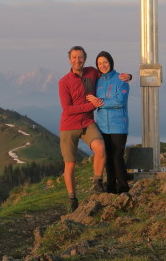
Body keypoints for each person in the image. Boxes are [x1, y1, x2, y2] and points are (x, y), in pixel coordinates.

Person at [58, 46, 131, 212]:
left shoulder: (92, 72)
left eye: (81, 57)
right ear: (70, 59)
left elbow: (108, 73)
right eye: (74, 58)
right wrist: (90, 105)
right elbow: (67, 109)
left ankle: (98, 182)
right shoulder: (64, 82)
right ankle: (72, 198)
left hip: (88, 122)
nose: (78, 60)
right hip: (69, 125)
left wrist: (129, 76)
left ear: (85, 59)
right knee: (70, 164)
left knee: (100, 147)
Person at [87, 51, 130, 194]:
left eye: (105, 62)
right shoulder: (97, 81)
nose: (103, 65)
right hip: (102, 126)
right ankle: (111, 188)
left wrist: (101, 103)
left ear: (111, 62)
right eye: (99, 63)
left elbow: (120, 101)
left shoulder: (121, 79)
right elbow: (92, 99)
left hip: (119, 125)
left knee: (117, 157)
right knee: (107, 159)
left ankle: (124, 189)